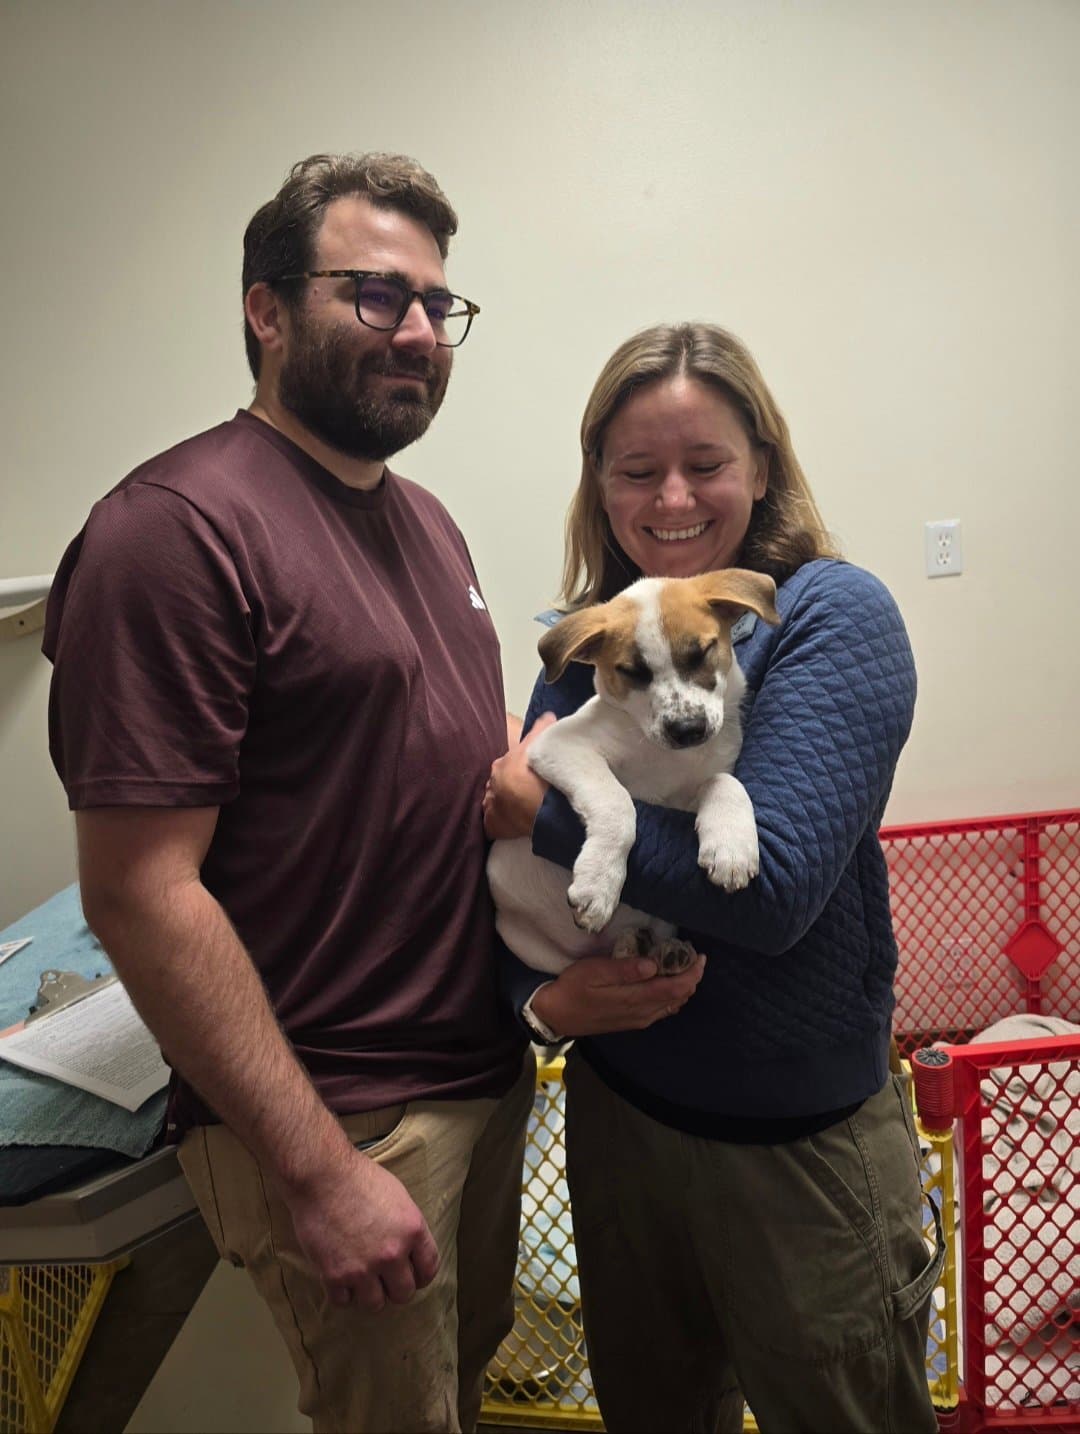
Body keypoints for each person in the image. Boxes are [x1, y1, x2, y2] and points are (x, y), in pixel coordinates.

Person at [43, 152, 536, 1434]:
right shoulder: (174, 529)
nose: (417, 331)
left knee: (460, 1395)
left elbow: (445, 764)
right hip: (346, 1111)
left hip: (476, 1072)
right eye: (376, 294)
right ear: (266, 309)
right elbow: (140, 891)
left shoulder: (425, 520)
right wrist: (317, 1174)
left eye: (437, 303)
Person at [484, 323, 946, 1433]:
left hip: (800, 1145)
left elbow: (771, 893)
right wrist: (539, 1003)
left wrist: (550, 814)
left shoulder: (830, 613)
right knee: (652, 1410)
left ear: (764, 465)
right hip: (620, 1120)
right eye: (637, 469)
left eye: (706, 463)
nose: (673, 497)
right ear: (599, 485)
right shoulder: (592, 640)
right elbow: (511, 881)